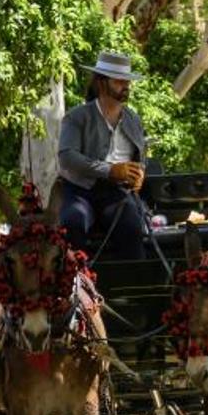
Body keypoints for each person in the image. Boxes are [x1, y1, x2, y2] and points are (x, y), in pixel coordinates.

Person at [57, 51, 148, 260]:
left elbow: (140, 160)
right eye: (119, 80)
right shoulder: (77, 116)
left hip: (117, 194)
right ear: (101, 82)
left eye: (127, 81)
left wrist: (139, 175)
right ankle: (71, 287)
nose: (125, 85)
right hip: (79, 191)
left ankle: (132, 288)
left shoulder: (134, 120)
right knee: (71, 224)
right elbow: (67, 157)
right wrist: (110, 170)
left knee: (133, 229)